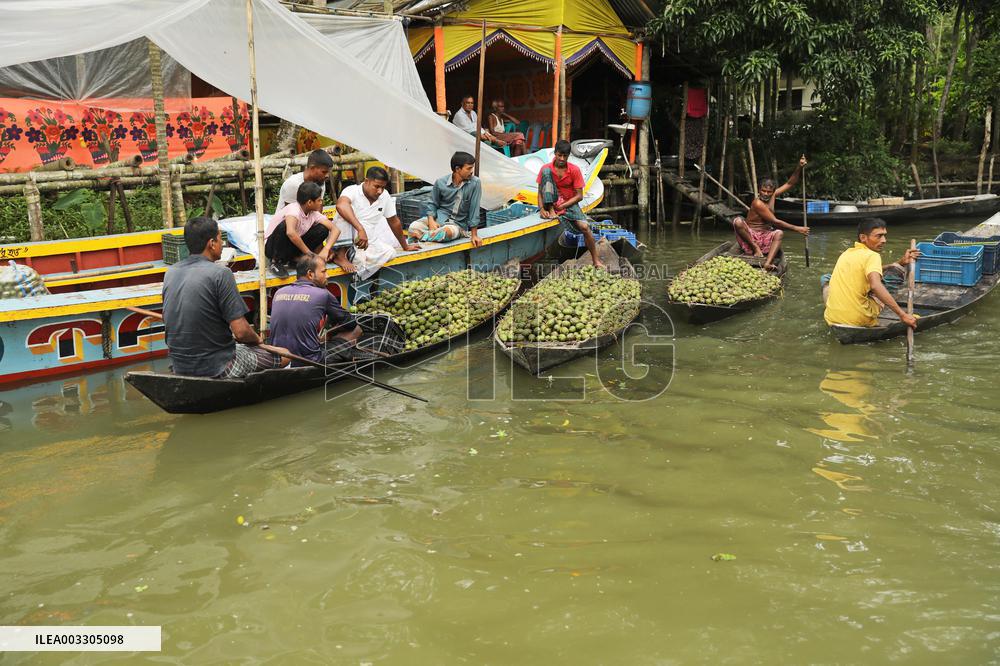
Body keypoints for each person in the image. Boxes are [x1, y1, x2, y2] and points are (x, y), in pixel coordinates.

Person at [162, 216, 287, 378]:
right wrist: (258, 341)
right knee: (284, 355)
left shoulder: (170, 272)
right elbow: (241, 332)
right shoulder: (221, 273)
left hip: (180, 364)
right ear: (212, 243)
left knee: (244, 348)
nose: (223, 244)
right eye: (221, 240)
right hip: (218, 365)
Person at [268, 253, 362, 366]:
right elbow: (350, 323)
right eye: (323, 272)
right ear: (310, 274)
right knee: (356, 329)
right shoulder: (323, 294)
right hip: (309, 360)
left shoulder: (279, 292)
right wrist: (332, 333)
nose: (327, 276)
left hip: (278, 359)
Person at [824, 218, 920, 329]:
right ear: (863, 238)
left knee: (826, 278)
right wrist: (902, 315)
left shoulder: (847, 253)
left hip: (832, 318)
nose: (884, 240)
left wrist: (899, 263)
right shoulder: (872, 256)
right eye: (879, 236)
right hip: (857, 320)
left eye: (884, 235)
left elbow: (867, 269)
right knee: (892, 276)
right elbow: (875, 285)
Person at [732, 155, 809, 271]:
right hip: (751, 236)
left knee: (779, 233)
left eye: (769, 192)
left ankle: (767, 263)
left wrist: (799, 167)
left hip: (765, 236)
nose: (766, 194)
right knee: (737, 221)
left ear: (773, 192)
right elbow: (775, 221)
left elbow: (790, 183)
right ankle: (755, 248)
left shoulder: (772, 196)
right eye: (763, 191)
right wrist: (797, 228)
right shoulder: (757, 203)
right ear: (759, 190)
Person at [537, 139, 604, 269]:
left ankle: (596, 260)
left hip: (567, 203)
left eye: (565, 156)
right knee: (546, 172)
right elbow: (540, 191)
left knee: (585, 227)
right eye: (559, 155)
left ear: (568, 156)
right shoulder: (546, 168)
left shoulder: (574, 170)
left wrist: (563, 206)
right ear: (555, 154)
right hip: (549, 202)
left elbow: (579, 196)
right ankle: (550, 210)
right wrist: (541, 208)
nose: (561, 158)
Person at [265, 181, 347, 277]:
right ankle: (275, 262)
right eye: (319, 200)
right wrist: (309, 253)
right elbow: (291, 233)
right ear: (309, 202)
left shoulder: (313, 214)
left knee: (323, 229)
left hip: (290, 248)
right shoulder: (294, 210)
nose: (321, 202)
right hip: (272, 248)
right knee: (286, 226)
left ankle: (295, 259)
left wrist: (326, 249)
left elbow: (336, 230)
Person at [408, 151, 484, 247]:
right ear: (457, 169)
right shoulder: (440, 182)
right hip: (439, 219)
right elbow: (432, 204)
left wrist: (474, 235)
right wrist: (431, 221)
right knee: (413, 227)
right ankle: (421, 241)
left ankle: (421, 237)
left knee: (446, 233)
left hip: (458, 225)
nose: (471, 171)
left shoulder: (475, 183)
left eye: (472, 168)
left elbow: (474, 209)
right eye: (469, 168)